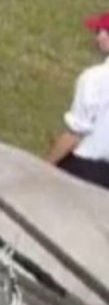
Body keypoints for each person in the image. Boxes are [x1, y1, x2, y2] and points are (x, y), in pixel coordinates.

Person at [47, 12, 109, 190]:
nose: (96, 37)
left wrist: (45, 167)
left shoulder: (94, 78)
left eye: (99, 31)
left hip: (84, 169)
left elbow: (75, 133)